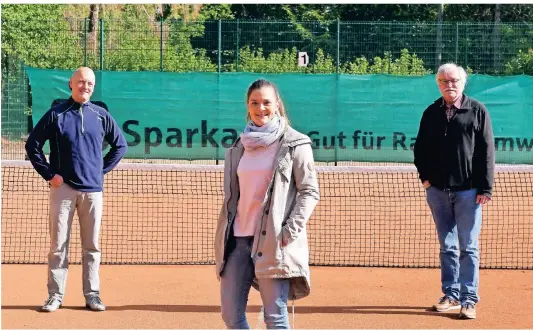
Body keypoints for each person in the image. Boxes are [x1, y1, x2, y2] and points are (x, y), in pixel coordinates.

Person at [214, 78, 320, 329]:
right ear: (247, 106)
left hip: (274, 241)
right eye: (254, 103)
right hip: (238, 240)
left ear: (277, 105)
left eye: (266, 103)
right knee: (231, 314)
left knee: (274, 316)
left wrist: (288, 231)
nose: (261, 108)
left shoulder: (295, 143)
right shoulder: (239, 146)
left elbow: (309, 191)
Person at [25, 67, 128, 312]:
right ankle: (55, 296)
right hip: (63, 191)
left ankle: (92, 294)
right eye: (81, 82)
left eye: (90, 83)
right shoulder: (56, 115)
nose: (86, 87)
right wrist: (50, 174)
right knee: (58, 245)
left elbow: (120, 145)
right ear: (71, 84)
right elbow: (33, 145)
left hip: (93, 192)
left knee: (92, 246)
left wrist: (100, 170)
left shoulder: (101, 115)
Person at [413, 63, 495, 320]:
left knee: (468, 247)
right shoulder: (431, 112)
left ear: (463, 82)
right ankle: (450, 295)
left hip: (469, 192)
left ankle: (468, 300)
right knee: (446, 246)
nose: (449, 85)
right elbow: (420, 149)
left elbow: (487, 151)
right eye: (443, 81)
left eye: (454, 80)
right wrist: (426, 179)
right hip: (437, 191)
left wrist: (486, 187)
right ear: (438, 83)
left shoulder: (477, 111)